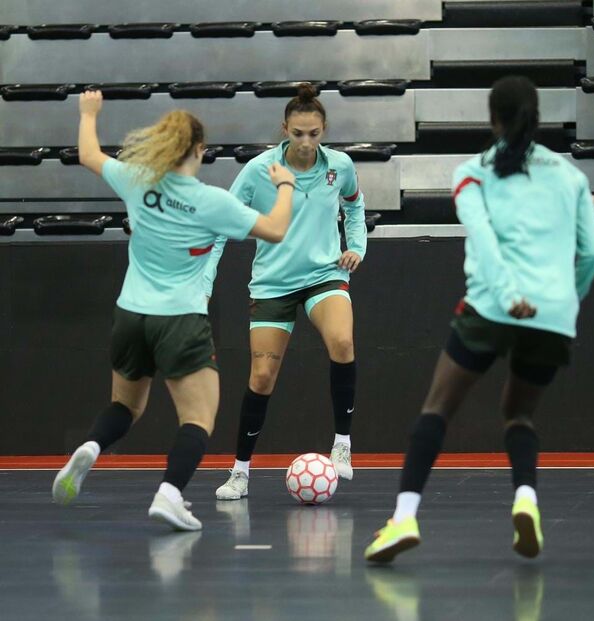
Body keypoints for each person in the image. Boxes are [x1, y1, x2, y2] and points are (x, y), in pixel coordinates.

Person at [364, 76, 594, 563]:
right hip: (552, 317)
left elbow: (485, 240)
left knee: (437, 408)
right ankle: (526, 500)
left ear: (492, 119)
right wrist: (564, 302)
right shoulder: (571, 176)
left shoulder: (473, 171)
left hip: (493, 307)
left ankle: (404, 517)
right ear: (537, 116)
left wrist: (511, 294)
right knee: (518, 413)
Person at [51, 91, 297, 531]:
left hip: (130, 316)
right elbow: (276, 230)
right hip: (181, 320)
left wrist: (89, 112)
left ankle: (90, 446)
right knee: (198, 417)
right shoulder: (211, 201)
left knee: (124, 407)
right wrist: (285, 185)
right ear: (200, 150)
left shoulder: (137, 179)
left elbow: (88, 153)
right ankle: (170, 493)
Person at [206, 83, 367, 500]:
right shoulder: (260, 170)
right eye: (298, 134)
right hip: (273, 283)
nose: (306, 142)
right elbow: (224, 222)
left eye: (314, 133)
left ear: (324, 129)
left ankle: (343, 445)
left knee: (343, 341)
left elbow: (354, 204)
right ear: (285, 129)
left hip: (324, 275)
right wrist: (206, 276)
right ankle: (240, 472)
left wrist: (356, 246)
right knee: (261, 377)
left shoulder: (340, 166)